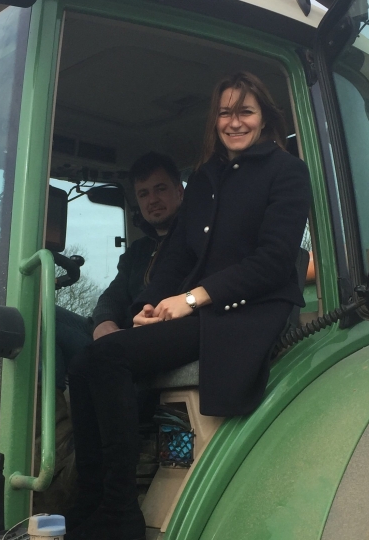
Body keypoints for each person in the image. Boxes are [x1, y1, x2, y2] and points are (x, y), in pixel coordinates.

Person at [66, 72, 312, 540]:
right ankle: (91, 502)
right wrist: (148, 308)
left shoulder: (286, 173)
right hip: (200, 309)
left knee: (111, 357)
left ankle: (120, 514)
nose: (234, 122)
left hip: (247, 313)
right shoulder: (204, 178)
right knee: (84, 361)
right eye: (225, 112)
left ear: (264, 118)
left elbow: (274, 261)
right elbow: (176, 255)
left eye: (245, 111)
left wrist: (192, 298)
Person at [53, 152, 185, 390]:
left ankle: (60, 421)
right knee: (40, 315)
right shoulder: (138, 251)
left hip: (143, 341)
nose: (152, 199)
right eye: (143, 194)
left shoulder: (191, 241)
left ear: (179, 192)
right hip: (114, 336)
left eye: (160, 189)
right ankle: (51, 419)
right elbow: (112, 295)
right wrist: (104, 324)